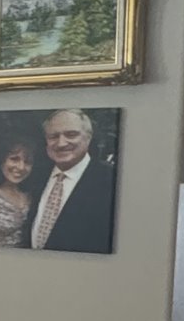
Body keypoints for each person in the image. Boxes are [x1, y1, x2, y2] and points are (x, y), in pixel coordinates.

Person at [26, 108, 116, 253]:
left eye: (71, 135)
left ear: (88, 137)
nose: (61, 143)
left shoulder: (110, 181)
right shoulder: (35, 175)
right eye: (53, 136)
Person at [0, 135, 37, 248]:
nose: (21, 167)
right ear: (1, 160)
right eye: (14, 159)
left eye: (27, 162)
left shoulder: (32, 197)